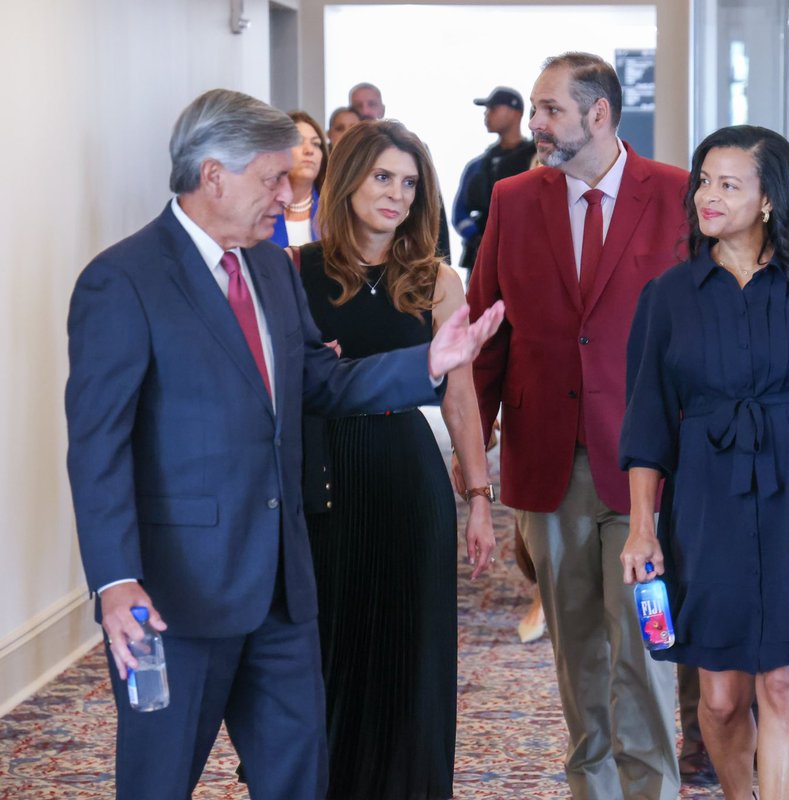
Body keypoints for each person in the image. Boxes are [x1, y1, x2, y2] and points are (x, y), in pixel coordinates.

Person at [63, 88, 504, 800]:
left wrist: (425, 362)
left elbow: (319, 384)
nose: (289, 193)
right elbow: (98, 446)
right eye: (274, 179)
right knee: (159, 780)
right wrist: (116, 581)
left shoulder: (269, 269)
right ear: (214, 176)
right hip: (180, 593)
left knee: (302, 774)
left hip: (285, 587)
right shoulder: (123, 281)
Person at [620, 125, 789, 800]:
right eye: (703, 181)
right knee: (717, 698)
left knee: (783, 680)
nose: (708, 196)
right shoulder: (669, 295)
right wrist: (642, 527)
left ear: (771, 199)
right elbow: (647, 424)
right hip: (705, 504)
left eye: (729, 184)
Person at [466, 51, 688, 799]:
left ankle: (651, 787)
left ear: (599, 114)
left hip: (647, 471)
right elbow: (487, 332)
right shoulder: (514, 198)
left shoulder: (677, 196)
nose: (536, 123)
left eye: (550, 109)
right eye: (534, 108)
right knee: (577, 654)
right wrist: (476, 457)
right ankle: (591, 787)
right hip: (545, 466)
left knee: (647, 648)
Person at [297, 119, 494, 799]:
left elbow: (461, 397)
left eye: (409, 183)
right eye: (383, 177)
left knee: (414, 658)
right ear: (348, 178)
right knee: (333, 655)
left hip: (408, 473)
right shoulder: (296, 271)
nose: (397, 195)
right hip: (324, 479)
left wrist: (477, 499)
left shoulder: (436, 279)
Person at [455, 86, 538, 273]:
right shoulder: (477, 166)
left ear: (515, 112)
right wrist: (478, 239)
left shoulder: (537, 160)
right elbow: (459, 214)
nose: (486, 114)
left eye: (493, 108)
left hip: (528, 259)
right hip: (482, 261)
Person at [270, 111, 327, 248]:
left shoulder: (334, 214)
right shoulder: (261, 211)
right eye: (298, 141)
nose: (309, 150)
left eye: (316, 144)